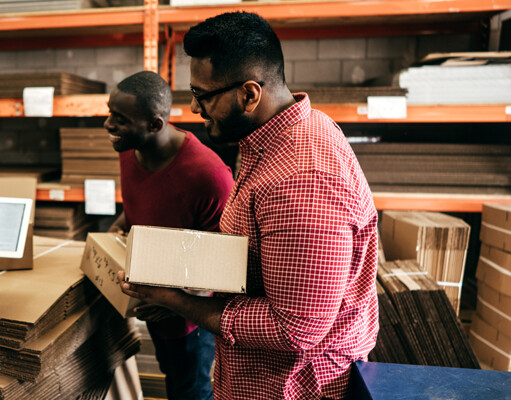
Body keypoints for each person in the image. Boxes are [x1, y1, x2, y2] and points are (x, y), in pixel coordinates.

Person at [119, 12, 379, 400]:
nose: (194, 108)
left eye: (203, 95)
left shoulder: (300, 182)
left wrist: (176, 301)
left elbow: (295, 330)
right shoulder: (271, 137)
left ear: (249, 94)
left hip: (289, 387)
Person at [105, 70, 234, 400]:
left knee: (191, 389)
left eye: (119, 119)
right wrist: (122, 223)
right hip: (154, 306)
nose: (108, 125)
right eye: (110, 113)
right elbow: (145, 200)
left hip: (190, 319)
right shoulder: (130, 147)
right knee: (173, 379)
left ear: (154, 125)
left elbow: (226, 264)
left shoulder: (209, 176)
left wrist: (175, 303)